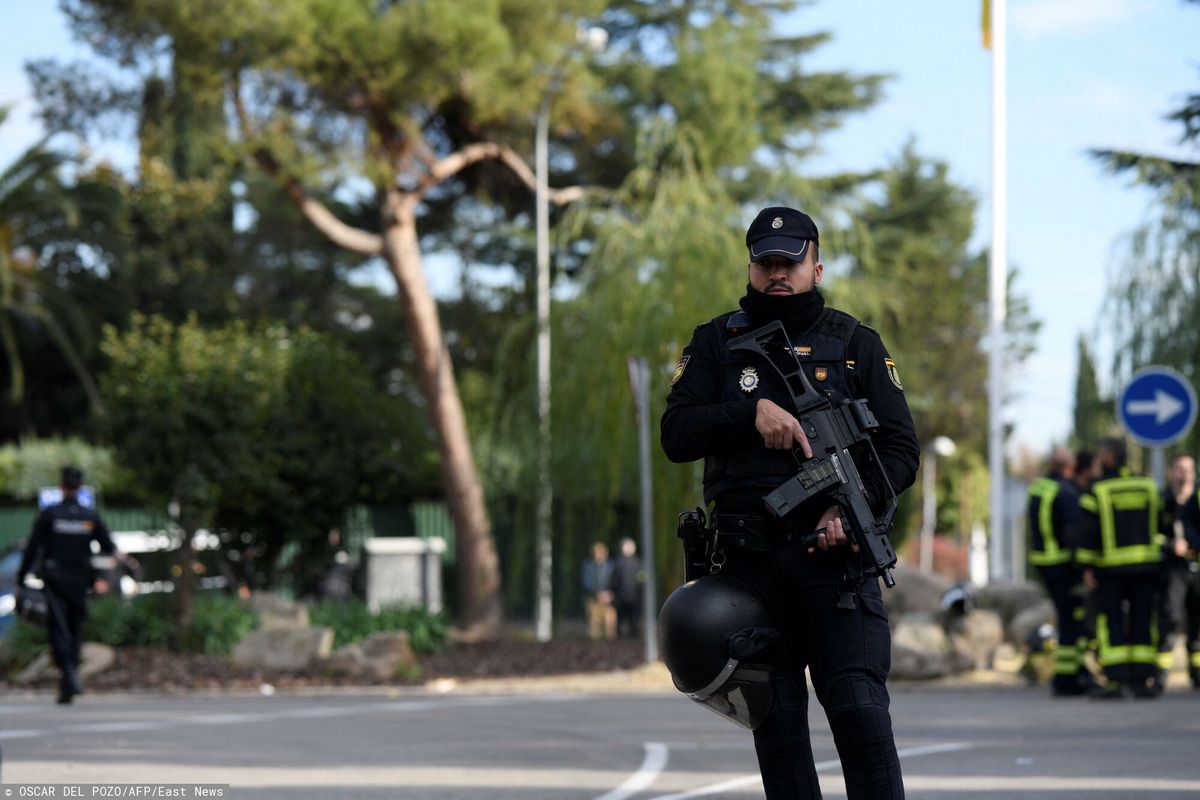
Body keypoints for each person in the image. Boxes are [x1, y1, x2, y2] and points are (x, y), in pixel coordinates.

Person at [661, 206, 920, 798]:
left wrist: (845, 512)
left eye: (791, 262)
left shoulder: (855, 344)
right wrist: (747, 414)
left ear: (816, 267)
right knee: (778, 736)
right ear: (750, 267)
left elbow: (901, 450)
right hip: (748, 573)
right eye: (766, 262)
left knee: (860, 714)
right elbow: (677, 434)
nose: (778, 273)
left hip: (836, 567)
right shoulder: (714, 343)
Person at [16, 466, 120, 704]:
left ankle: (70, 675)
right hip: (80, 582)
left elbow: (33, 548)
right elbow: (108, 548)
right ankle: (70, 678)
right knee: (74, 629)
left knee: (59, 629)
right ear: (80, 487)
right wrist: (103, 576)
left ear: (62, 486)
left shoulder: (51, 515)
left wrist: (22, 578)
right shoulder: (89, 516)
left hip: (55, 582)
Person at [1074, 438, 1163, 699]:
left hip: (1110, 571)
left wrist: (1086, 567)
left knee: (1111, 622)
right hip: (1146, 568)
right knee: (1143, 620)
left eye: (1102, 455)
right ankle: (1142, 679)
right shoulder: (1147, 486)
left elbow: (1088, 533)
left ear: (1110, 458)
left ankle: (1116, 680)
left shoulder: (1098, 490)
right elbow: (1160, 522)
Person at [1026, 446, 1095, 695]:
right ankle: (1067, 678)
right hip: (1063, 565)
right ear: (1069, 467)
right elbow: (1071, 533)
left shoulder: (1038, 487)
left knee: (1067, 617)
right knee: (1071, 620)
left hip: (1043, 564)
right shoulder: (1066, 492)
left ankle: (1073, 673)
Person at [1157, 454, 1200, 689]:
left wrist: (1193, 545)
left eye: (1188, 469)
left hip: (1196, 568)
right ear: (1171, 472)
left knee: (1198, 623)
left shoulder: (1198, 499)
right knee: (1170, 619)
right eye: (1179, 469)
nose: (1184, 474)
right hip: (1173, 570)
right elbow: (1150, 535)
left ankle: (1197, 672)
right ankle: (1161, 673)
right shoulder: (1162, 501)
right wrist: (1169, 545)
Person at [609, 537, 644, 638]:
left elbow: (613, 580)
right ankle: (633, 638)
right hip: (633, 596)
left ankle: (622, 638)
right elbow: (642, 579)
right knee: (633, 619)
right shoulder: (638, 563)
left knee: (622, 619)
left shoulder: (617, 562)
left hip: (623, 595)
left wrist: (613, 590)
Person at [581, 541, 616, 641]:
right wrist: (597, 594)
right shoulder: (587, 566)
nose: (597, 554)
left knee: (610, 626)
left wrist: (609, 594)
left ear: (605, 553)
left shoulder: (611, 566)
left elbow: (614, 581)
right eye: (595, 552)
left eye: (600, 552)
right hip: (593, 599)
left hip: (608, 600)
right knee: (594, 625)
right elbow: (587, 582)